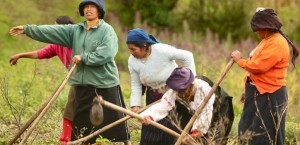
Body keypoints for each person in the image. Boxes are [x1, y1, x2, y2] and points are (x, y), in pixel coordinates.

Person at [9, 0, 131, 144]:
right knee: (82, 126)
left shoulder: (106, 30)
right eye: (86, 7)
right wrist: (27, 29)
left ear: (99, 11)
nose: (88, 10)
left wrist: (84, 57)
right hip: (83, 84)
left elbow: (107, 53)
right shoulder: (75, 30)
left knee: (117, 124)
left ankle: (127, 143)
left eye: (92, 7)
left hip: (105, 83)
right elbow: (52, 31)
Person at [231, 8, 299, 145]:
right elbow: (255, 70)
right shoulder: (267, 40)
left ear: (266, 28)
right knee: (247, 129)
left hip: (270, 95)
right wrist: (247, 88)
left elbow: (259, 66)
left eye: (258, 29)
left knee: (265, 134)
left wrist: (239, 61)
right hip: (258, 92)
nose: (256, 33)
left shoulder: (278, 43)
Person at [9, 16, 75, 145]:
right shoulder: (56, 44)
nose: (53, 31)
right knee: (70, 111)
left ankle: (90, 140)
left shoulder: (75, 39)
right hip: (76, 81)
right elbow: (41, 53)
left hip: (89, 80)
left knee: (84, 111)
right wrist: (21, 55)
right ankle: (66, 140)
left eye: (56, 28)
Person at [126, 28, 196, 144]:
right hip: (152, 96)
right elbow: (136, 83)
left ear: (144, 45)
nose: (131, 53)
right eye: (130, 50)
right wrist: (135, 105)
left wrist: (191, 82)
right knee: (150, 130)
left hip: (173, 95)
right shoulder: (132, 61)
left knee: (172, 132)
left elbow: (188, 56)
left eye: (134, 49)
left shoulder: (161, 50)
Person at [139, 67, 216, 144]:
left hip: (214, 113)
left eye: (182, 90)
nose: (179, 93)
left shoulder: (204, 91)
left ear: (191, 85)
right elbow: (162, 107)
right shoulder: (174, 92)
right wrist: (149, 116)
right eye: (177, 90)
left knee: (210, 139)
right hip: (191, 114)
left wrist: (195, 134)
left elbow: (205, 114)